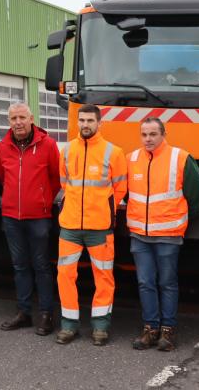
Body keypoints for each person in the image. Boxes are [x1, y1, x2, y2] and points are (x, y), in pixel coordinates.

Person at [126, 117, 199, 351]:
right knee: (145, 283)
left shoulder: (180, 158)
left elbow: (195, 197)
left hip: (168, 235)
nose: (148, 139)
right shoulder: (131, 159)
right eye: (144, 134)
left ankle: (168, 331)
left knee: (167, 283)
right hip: (139, 234)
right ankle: (150, 329)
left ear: (163, 134)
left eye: (153, 134)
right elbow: (124, 192)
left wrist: (178, 222)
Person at [56, 104, 127, 346]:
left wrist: (104, 209)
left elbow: (120, 188)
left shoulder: (113, 152)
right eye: (82, 120)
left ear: (100, 123)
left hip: (100, 227)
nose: (85, 125)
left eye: (90, 121)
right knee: (65, 275)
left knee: (104, 276)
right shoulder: (66, 151)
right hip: (70, 226)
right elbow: (65, 183)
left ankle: (100, 326)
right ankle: (68, 325)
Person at [0, 102, 61, 336]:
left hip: (39, 218)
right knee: (20, 265)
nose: (18, 122)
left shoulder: (48, 145)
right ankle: (24, 312)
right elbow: (3, 178)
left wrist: (42, 200)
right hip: (12, 217)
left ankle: (46, 314)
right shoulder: (3, 146)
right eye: (13, 118)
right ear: (9, 121)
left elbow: (56, 178)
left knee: (42, 266)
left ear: (31, 118)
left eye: (22, 117)